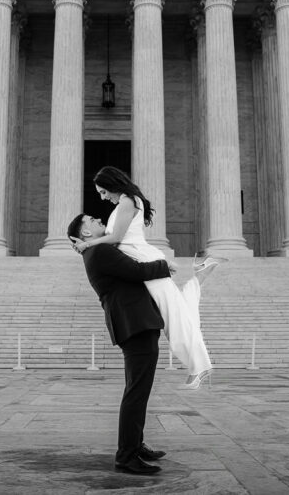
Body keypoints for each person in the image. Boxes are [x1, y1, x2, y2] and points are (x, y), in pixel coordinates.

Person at [72, 166, 218, 390]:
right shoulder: (128, 202)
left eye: (103, 192)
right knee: (177, 311)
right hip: (142, 259)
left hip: (143, 260)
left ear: (112, 185)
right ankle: (199, 279)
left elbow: (117, 237)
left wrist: (87, 244)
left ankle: (200, 367)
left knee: (174, 318)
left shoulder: (127, 202)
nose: (102, 198)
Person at [67, 213, 174, 475]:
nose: (97, 219)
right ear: (86, 234)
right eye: (91, 220)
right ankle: (127, 455)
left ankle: (135, 445)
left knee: (138, 389)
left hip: (135, 322)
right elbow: (137, 271)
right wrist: (166, 265)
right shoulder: (100, 252)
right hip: (135, 323)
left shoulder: (97, 251)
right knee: (137, 392)